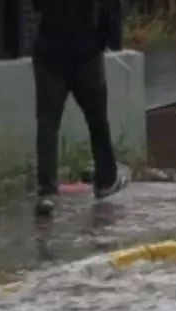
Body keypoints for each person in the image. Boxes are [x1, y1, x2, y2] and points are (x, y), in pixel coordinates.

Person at [31, 0, 132, 216]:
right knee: (97, 119)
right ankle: (105, 181)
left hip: (49, 53)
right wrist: (107, 40)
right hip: (85, 53)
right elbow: (108, 8)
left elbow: (37, 6)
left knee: (47, 124)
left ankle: (47, 191)